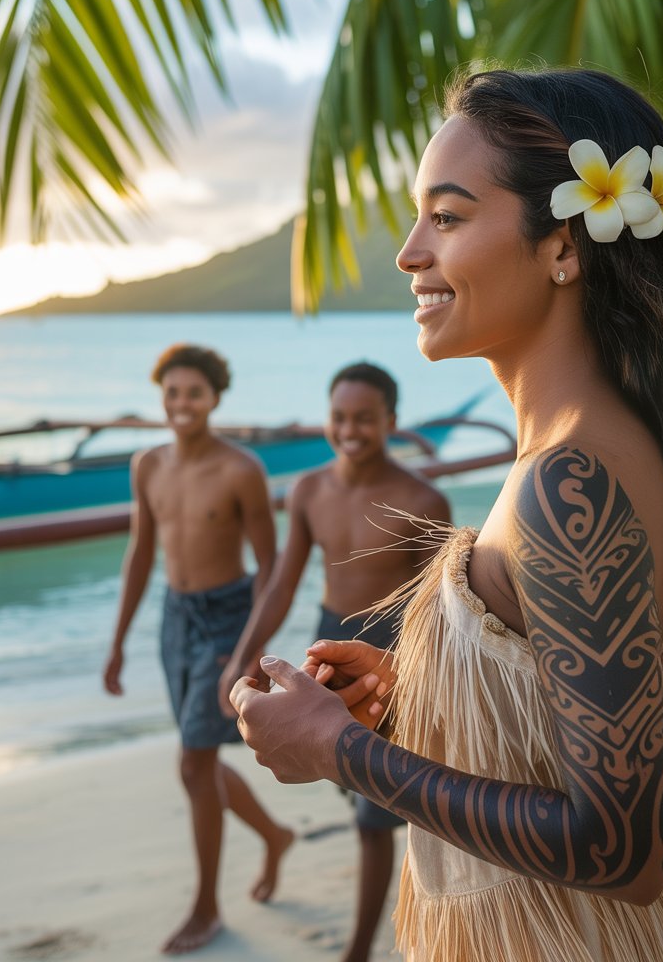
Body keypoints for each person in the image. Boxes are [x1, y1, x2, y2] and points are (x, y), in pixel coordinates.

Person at [227, 68, 663, 962]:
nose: (410, 252)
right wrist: (429, 698)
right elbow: (563, 714)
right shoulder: (597, 451)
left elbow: (623, 848)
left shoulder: (572, 486)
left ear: (563, 246)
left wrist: (336, 749)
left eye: (447, 217)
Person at [219, 361, 451, 962]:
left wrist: (418, 683)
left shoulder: (422, 499)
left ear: (391, 421)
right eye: (339, 417)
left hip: (390, 658)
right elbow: (281, 585)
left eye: (364, 418)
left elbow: (441, 613)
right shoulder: (308, 490)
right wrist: (245, 659)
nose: (350, 430)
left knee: (378, 813)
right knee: (359, 795)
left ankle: (358, 951)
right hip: (326, 649)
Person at [102, 343, 294, 956]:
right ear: (161, 397)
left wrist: (248, 652)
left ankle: (207, 906)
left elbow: (269, 567)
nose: (181, 404)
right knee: (199, 761)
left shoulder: (241, 469)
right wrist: (118, 641)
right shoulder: (147, 465)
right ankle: (275, 836)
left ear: (214, 399)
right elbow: (141, 553)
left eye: (194, 393)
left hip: (227, 619)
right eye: (172, 393)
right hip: (175, 617)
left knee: (193, 762)